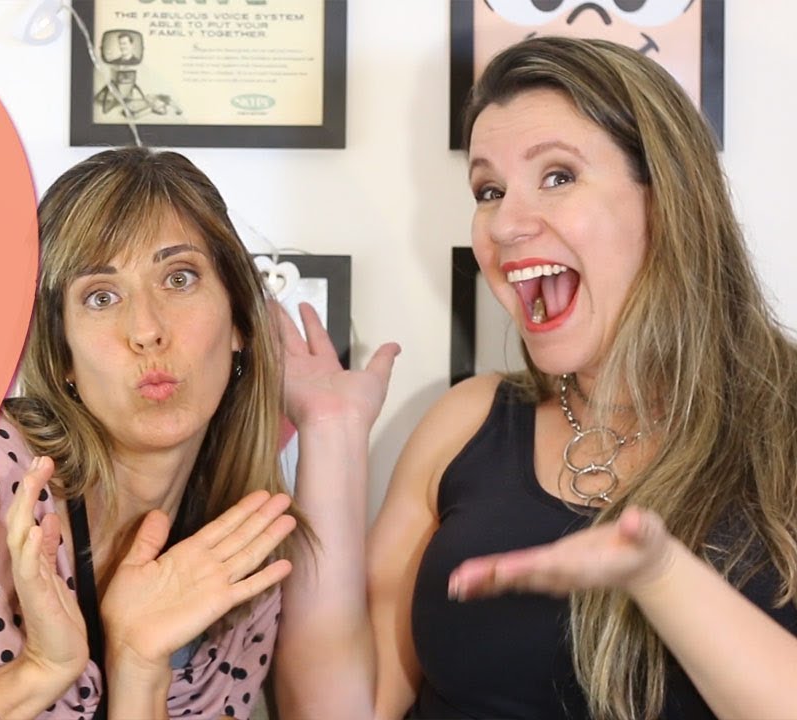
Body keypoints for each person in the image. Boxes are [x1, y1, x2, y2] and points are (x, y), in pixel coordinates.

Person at [305, 36, 797, 720]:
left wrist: (659, 575)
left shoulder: (784, 423)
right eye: (489, 190)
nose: (506, 224)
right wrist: (330, 435)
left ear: (666, 201)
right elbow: (351, 709)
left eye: (559, 176)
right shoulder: (463, 423)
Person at [0, 146, 388, 720]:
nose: (146, 330)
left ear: (240, 321)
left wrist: (138, 668)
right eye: (101, 297)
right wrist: (37, 672)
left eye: (179, 278)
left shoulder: (239, 559)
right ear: (62, 352)